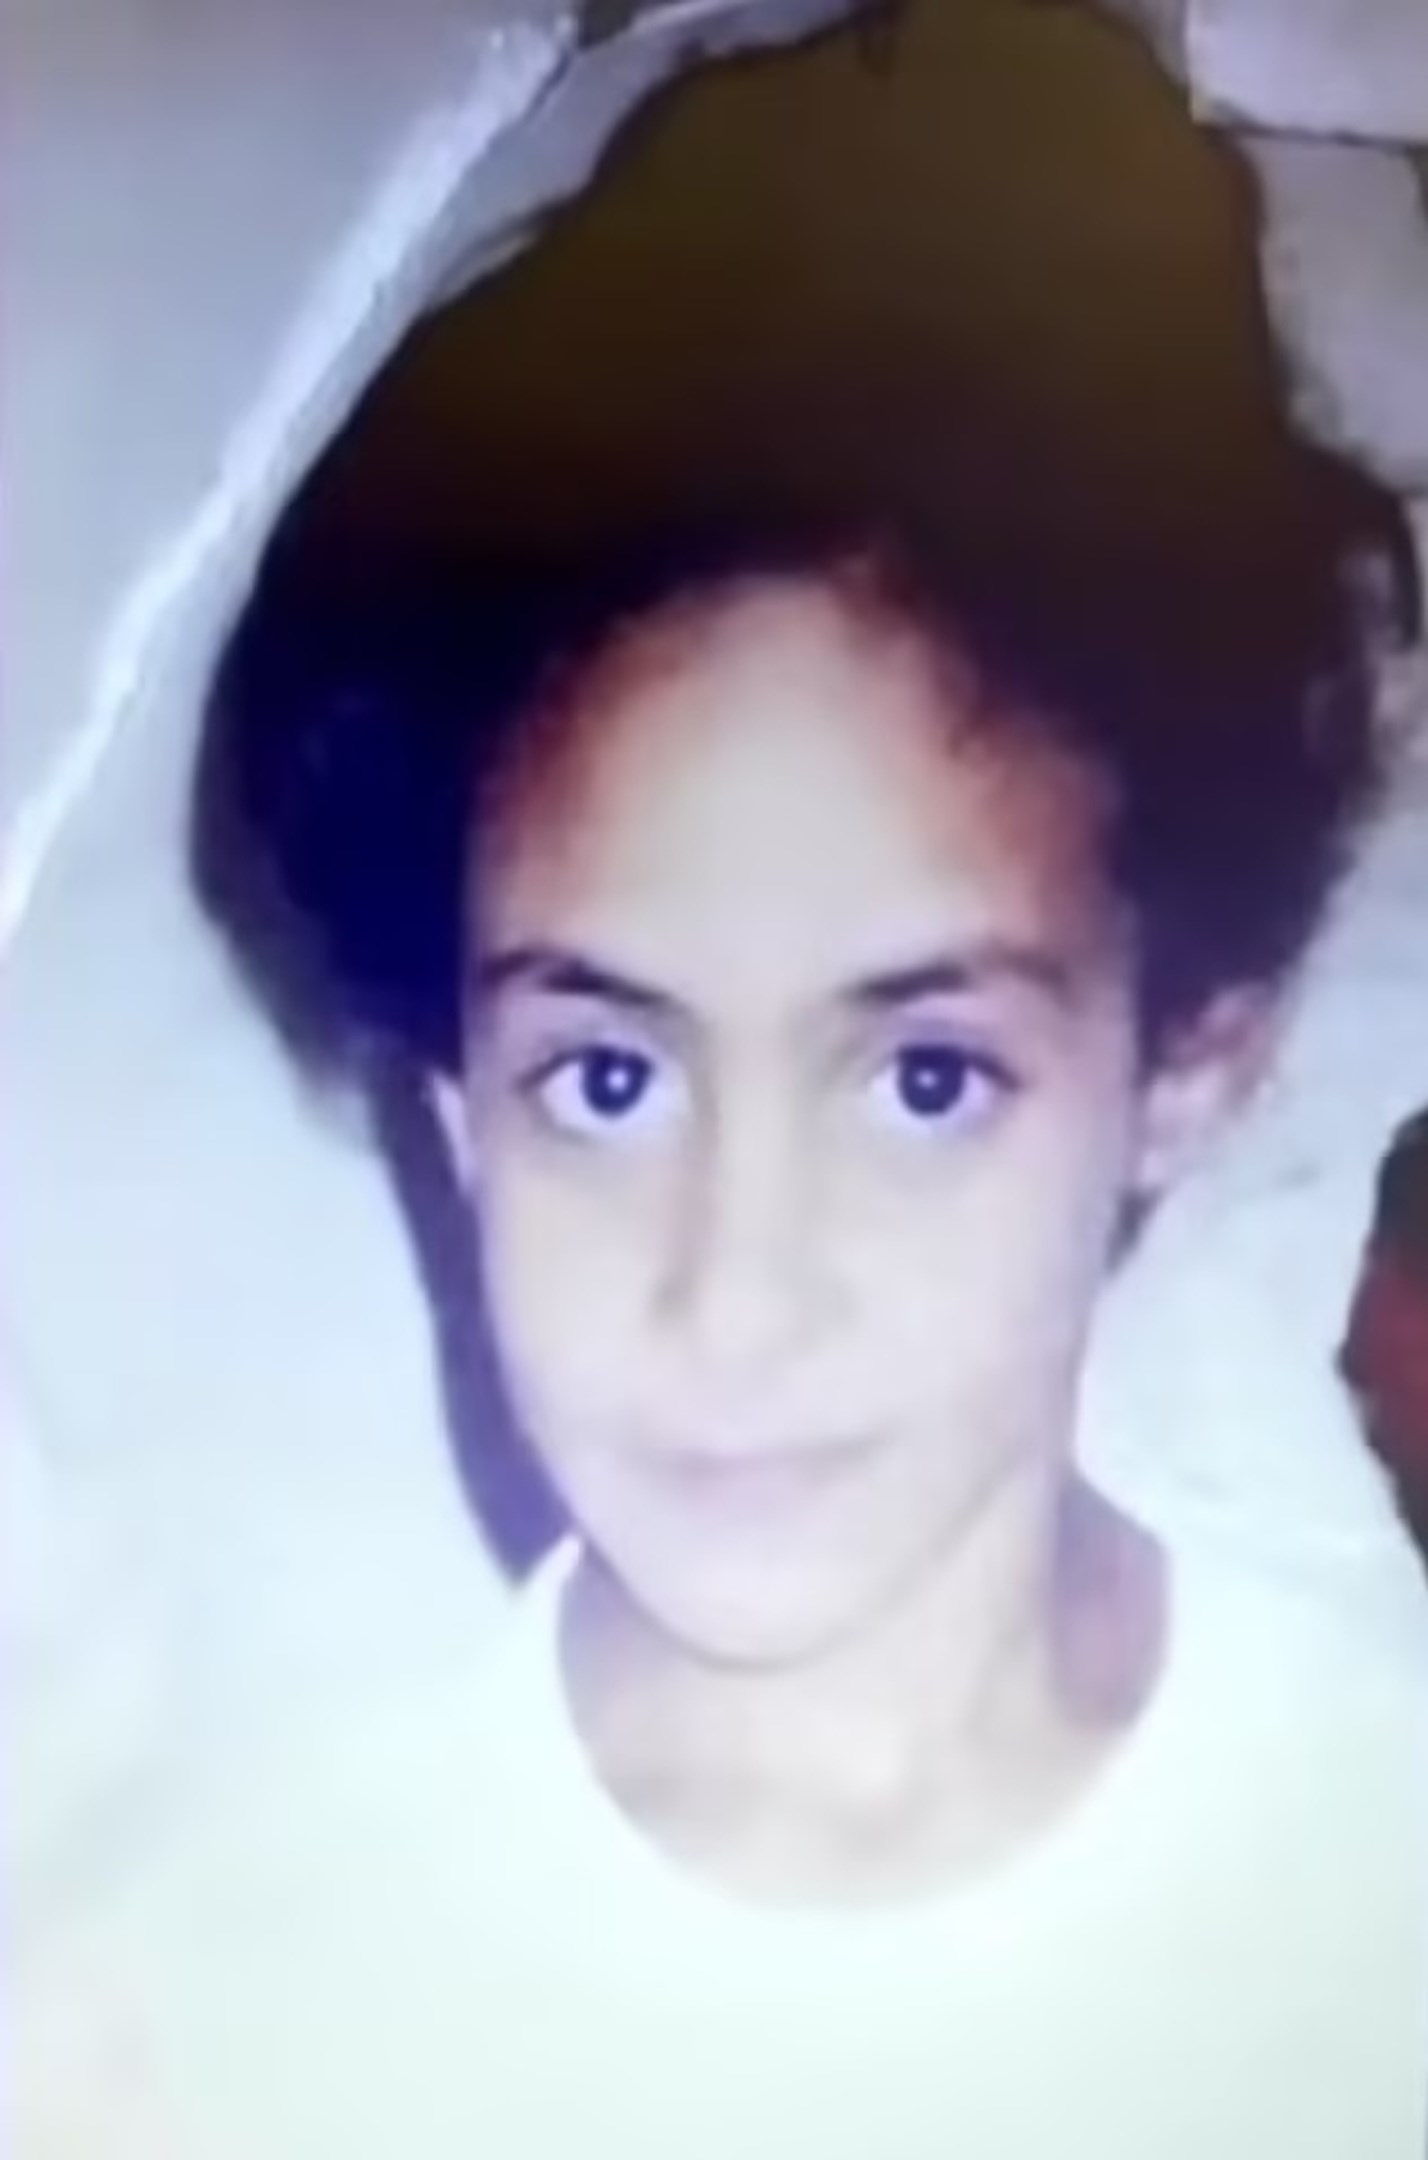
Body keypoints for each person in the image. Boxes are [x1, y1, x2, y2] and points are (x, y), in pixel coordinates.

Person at [17, 477, 1428, 2160]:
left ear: (1182, 1077)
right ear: (464, 1124)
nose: (736, 1299)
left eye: (924, 1081)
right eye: (608, 1082)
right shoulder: (198, 2035)